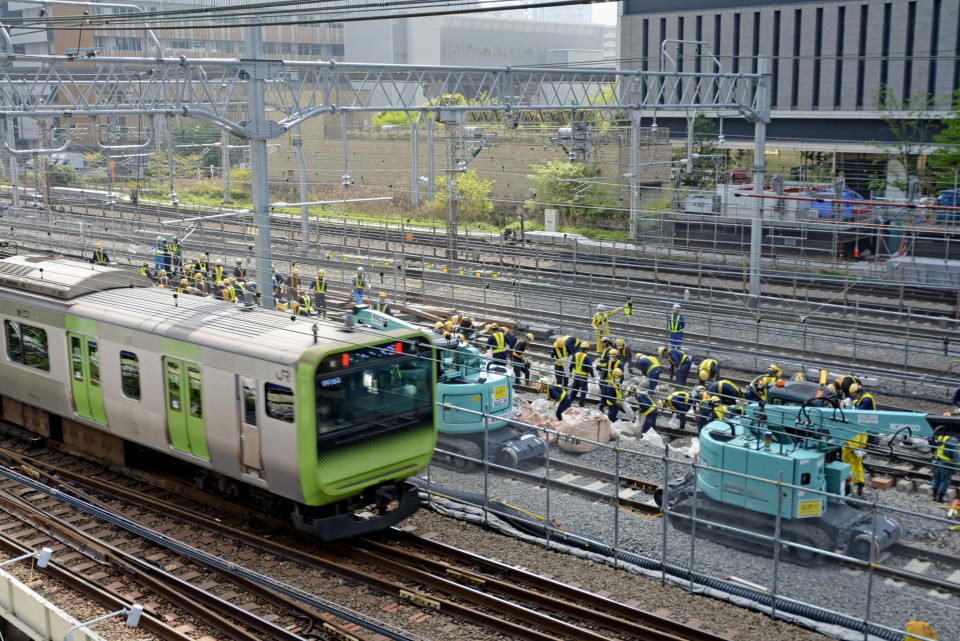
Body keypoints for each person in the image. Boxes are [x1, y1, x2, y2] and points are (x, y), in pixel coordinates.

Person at [930, 431, 959, 503]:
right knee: (945, 481)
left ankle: (934, 496)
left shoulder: (943, 436)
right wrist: (957, 467)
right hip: (946, 464)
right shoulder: (953, 440)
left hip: (936, 461)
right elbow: (955, 455)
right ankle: (940, 498)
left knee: (936, 478)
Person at [842, 431, 871, 497]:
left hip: (849, 452)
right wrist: (860, 448)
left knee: (848, 469)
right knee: (858, 468)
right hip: (858, 452)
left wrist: (854, 450)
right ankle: (860, 484)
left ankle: (849, 489)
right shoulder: (861, 428)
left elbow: (847, 439)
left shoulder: (849, 427)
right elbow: (864, 436)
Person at [570, 342, 594, 407]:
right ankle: (581, 404)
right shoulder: (587, 357)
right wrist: (593, 376)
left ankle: (569, 401)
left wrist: (569, 372)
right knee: (584, 390)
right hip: (583, 377)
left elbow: (571, 365)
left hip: (576, 376)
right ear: (587, 349)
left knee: (574, 389)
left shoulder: (576, 355)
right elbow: (590, 368)